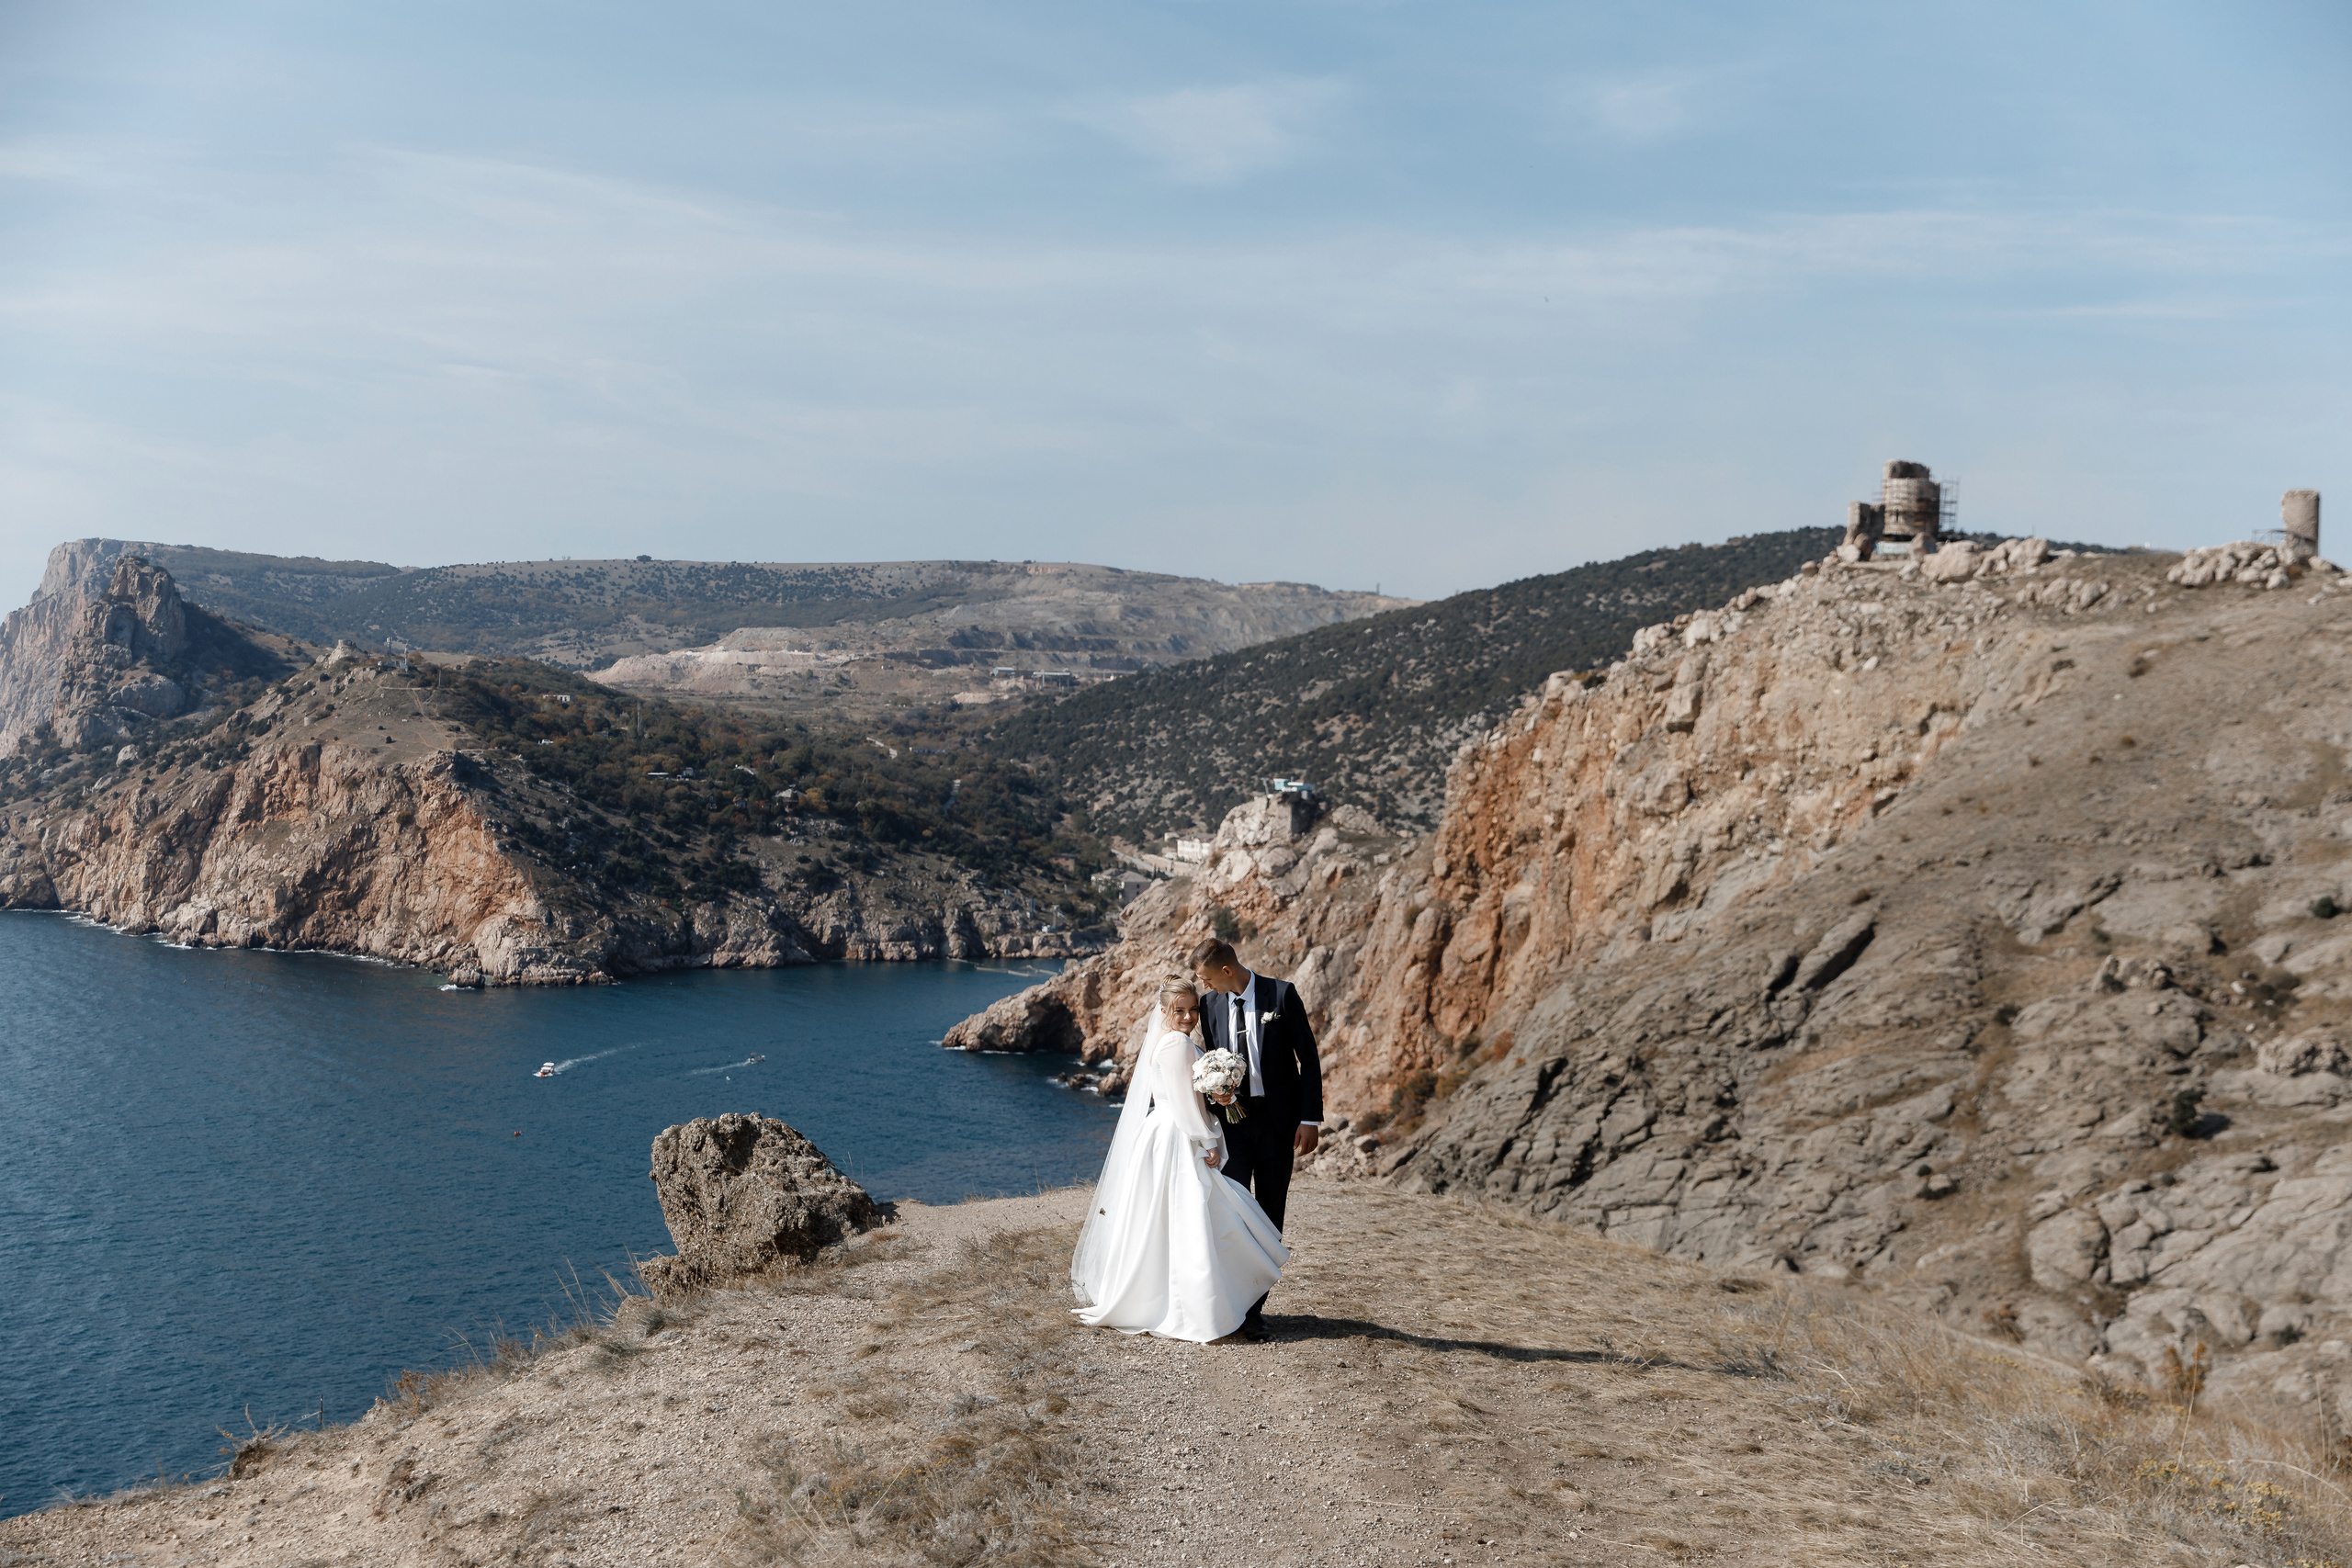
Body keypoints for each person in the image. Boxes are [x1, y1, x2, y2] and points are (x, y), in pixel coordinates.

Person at [1070, 979, 1288, 1343]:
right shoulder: (1174, 1044)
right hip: (1177, 1136)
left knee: (1177, 1220)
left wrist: (1221, 1097)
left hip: (1168, 1133)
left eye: (1192, 1009)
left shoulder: (1174, 1041)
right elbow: (1185, 1104)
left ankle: (1197, 1301)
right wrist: (1207, 1142)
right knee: (1191, 1219)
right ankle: (1196, 1308)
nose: (1188, 1017)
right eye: (1179, 1010)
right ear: (1164, 1012)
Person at [1193, 936, 1322, 1341]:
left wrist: (1310, 1118)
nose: (1204, 986)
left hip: (1279, 1124)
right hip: (1234, 1123)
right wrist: (1218, 1095)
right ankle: (1229, 1303)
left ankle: (1254, 1311)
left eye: (1207, 978)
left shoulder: (1281, 995)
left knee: (1268, 1215)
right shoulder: (1209, 1006)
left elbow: (1308, 1057)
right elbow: (1213, 1060)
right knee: (1230, 1211)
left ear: (1226, 970)